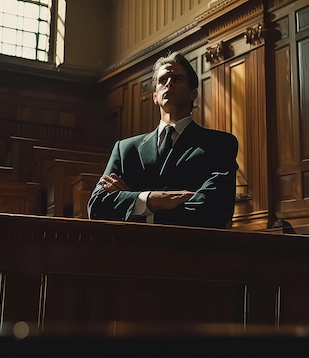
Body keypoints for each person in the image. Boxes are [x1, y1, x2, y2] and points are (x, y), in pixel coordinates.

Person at [87, 51, 238, 229]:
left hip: (192, 253)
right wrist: (153, 200)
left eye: (177, 79)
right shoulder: (125, 149)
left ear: (193, 94)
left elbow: (215, 210)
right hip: (133, 254)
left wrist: (135, 205)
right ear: (155, 97)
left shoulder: (219, 144)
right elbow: (96, 206)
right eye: (163, 80)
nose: (169, 83)